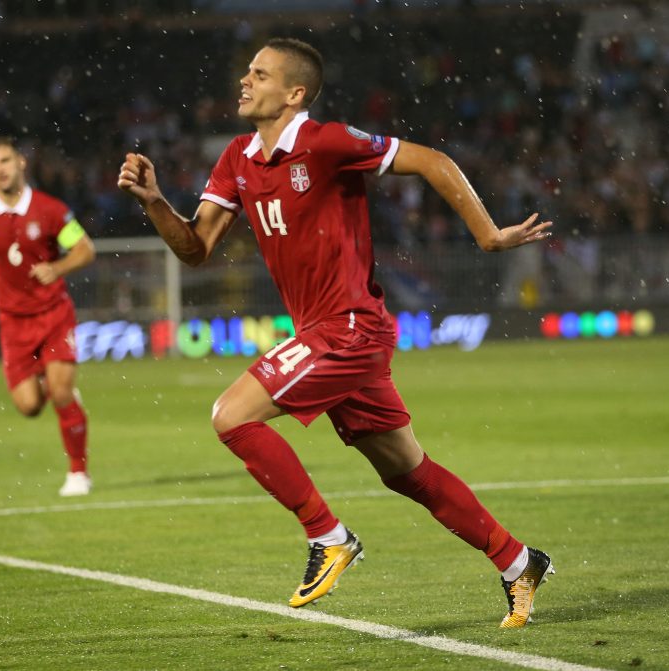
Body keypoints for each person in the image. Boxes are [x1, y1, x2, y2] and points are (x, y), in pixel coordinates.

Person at [118, 38, 554, 627]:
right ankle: (517, 560)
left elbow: (431, 160)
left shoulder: (326, 143)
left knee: (231, 415)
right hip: (329, 334)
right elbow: (194, 248)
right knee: (408, 472)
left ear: (293, 94)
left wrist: (487, 234)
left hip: (349, 328)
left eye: (260, 74)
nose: (245, 80)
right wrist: (154, 203)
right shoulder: (238, 159)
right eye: (246, 70)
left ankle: (329, 536)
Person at [0, 136, 96, 497]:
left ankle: (78, 473)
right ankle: (60, 388)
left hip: (54, 314)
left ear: (21, 162)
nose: (0, 170)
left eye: (5, 161)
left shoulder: (51, 210)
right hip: (12, 320)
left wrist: (58, 267)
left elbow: (86, 250)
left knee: (59, 393)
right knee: (28, 407)